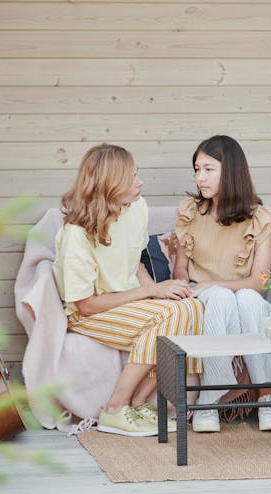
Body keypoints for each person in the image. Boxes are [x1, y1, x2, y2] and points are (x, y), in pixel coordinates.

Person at [52, 144, 204, 437]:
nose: (140, 182)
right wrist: (152, 294)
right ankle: (114, 408)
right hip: (90, 313)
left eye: (137, 174)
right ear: (108, 185)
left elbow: (134, 265)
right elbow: (85, 305)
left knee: (190, 307)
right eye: (131, 177)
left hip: (127, 303)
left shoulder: (137, 208)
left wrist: (162, 293)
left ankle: (136, 403)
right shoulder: (76, 237)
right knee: (168, 317)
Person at [174, 134, 271, 433]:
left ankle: (267, 397)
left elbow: (258, 283)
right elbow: (180, 272)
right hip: (204, 298)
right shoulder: (190, 212)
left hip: (243, 295)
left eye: (209, 169)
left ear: (231, 171)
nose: (200, 177)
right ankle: (210, 401)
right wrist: (196, 288)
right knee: (222, 298)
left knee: (248, 300)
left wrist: (214, 285)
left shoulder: (260, 218)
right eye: (197, 169)